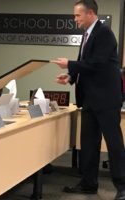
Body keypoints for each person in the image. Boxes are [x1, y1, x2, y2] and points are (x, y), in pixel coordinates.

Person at [51, 0, 125, 199]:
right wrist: (71, 77)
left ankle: (122, 187)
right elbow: (86, 65)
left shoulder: (104, 34)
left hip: (107, 99)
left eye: (77, 15)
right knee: (89, 143)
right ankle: (88, 183)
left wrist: (69, 64)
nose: (75, 19)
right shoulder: (86, 35)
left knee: (113, 143)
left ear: (90, 13)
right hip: (90, 99)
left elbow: (98, 64)